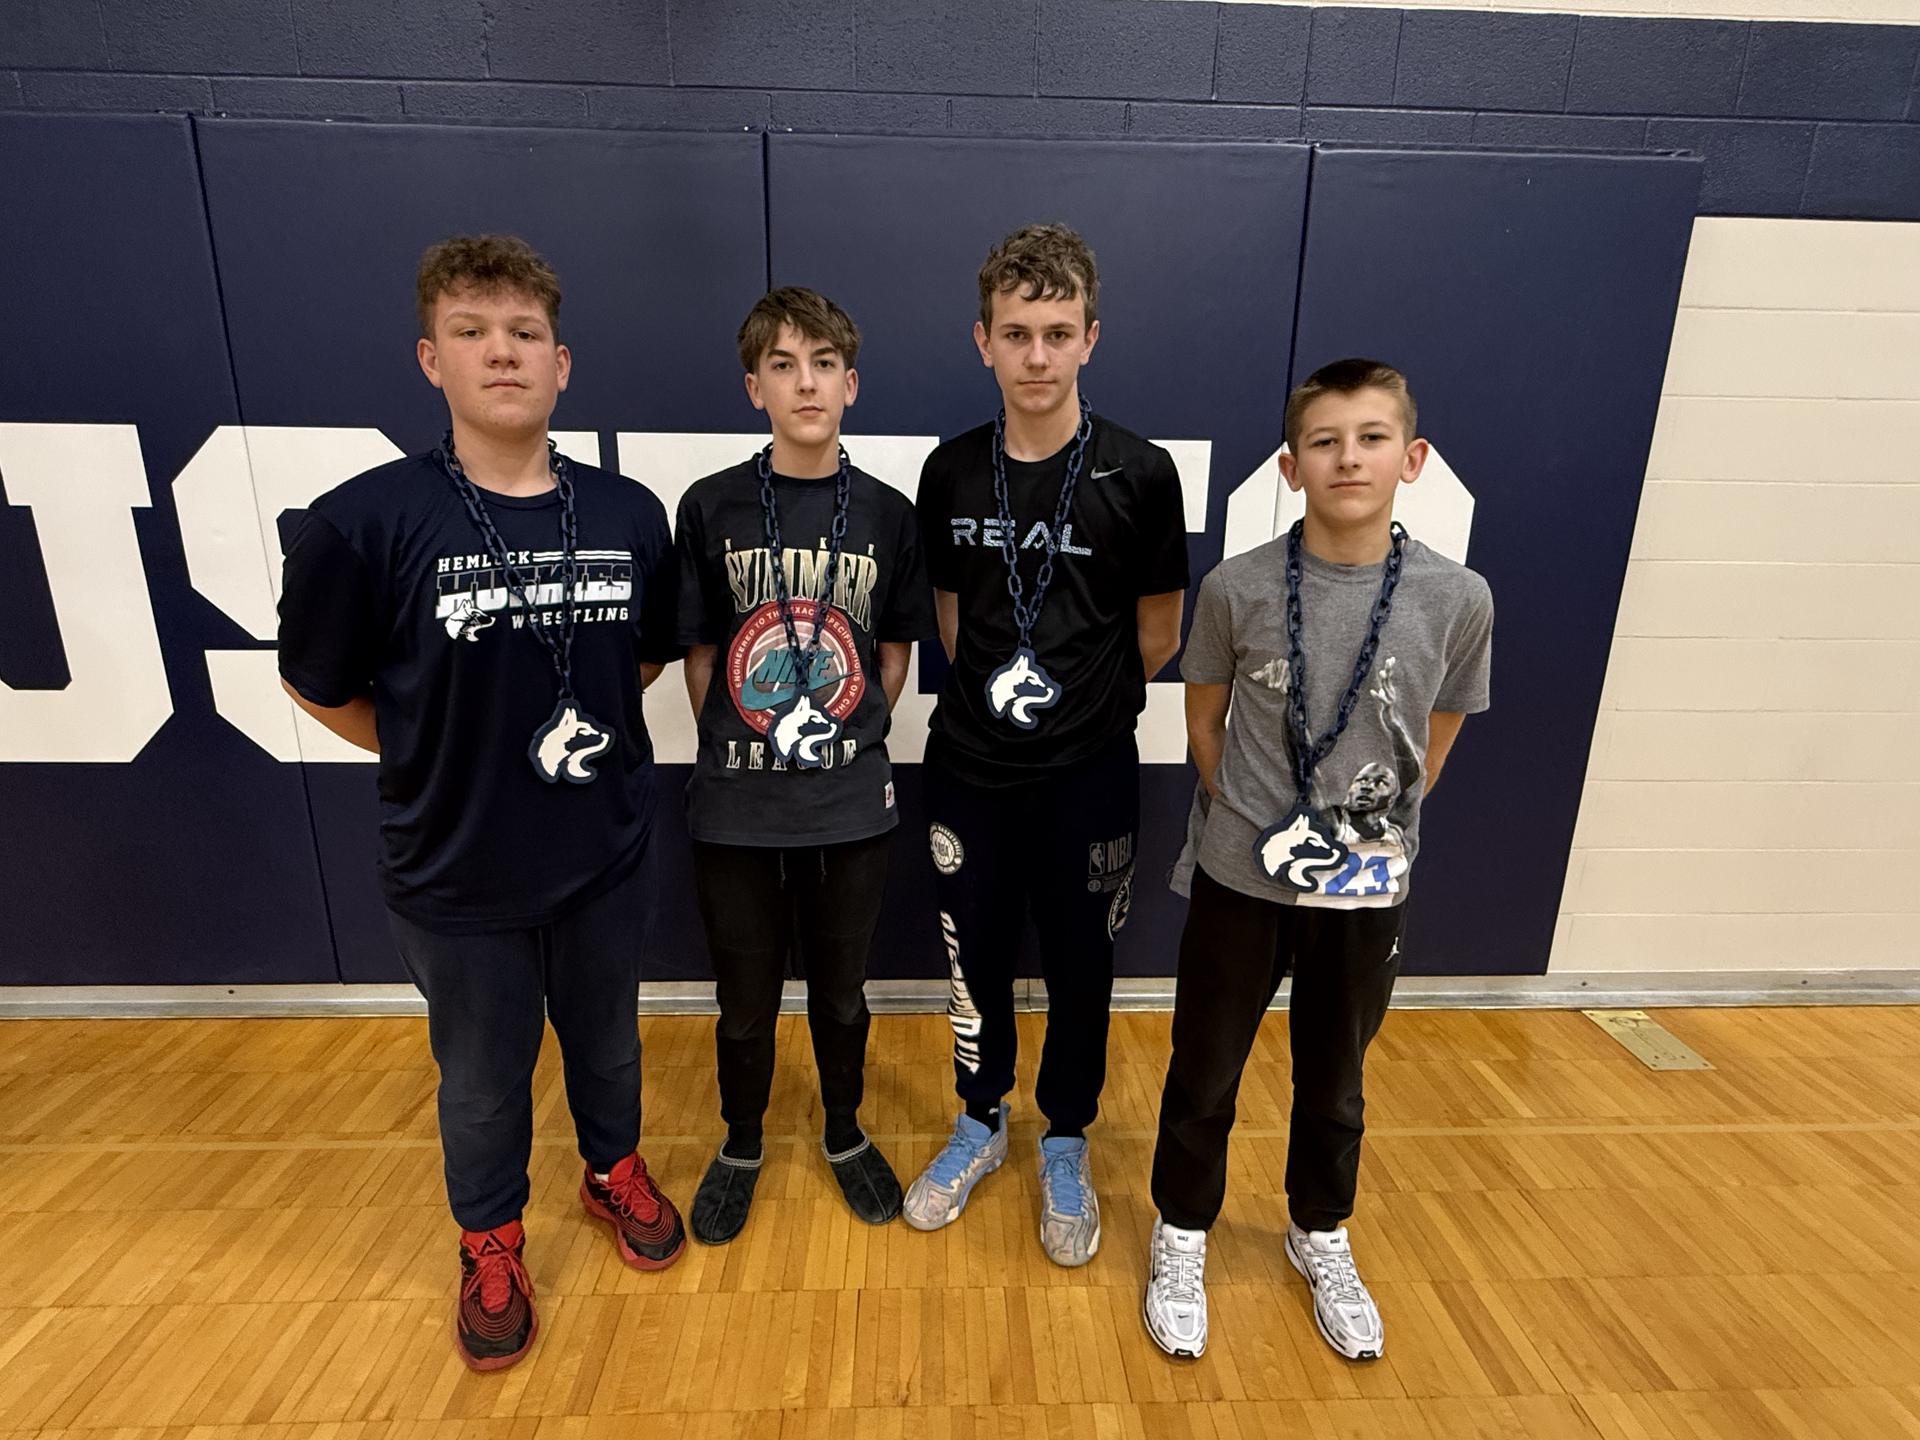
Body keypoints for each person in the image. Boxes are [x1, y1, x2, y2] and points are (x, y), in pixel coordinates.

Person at [277, 234, 685, 1372]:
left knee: (609, 1048)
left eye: (524, 333)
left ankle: (611, 1171)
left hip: (604, 854)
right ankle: (491, 1239)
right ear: (431, 358)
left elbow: (643, 659)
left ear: (562, 363)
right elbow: (317, 684)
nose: (501, 353)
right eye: (472, 331)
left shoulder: (628, 513)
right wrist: (424, 753)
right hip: (455, 871)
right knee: (484, 1081)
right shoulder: (364, 521)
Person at [1142, 358, 1494, 1362]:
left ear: (1411, 459)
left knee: (1336, 1079)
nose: (1349, 458)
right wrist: (1262, 819)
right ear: (1292, 468)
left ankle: (1318, 1230)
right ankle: (1183, 1230)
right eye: (1325, 441)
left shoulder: (1458, 597)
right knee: (1205, 1067)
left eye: (1372, 438)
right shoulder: (1236, 588)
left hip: (1366, 888)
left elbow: (1435, 744)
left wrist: (1358, 838)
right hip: (1241, 879)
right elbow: (1204, 727)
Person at [904, 223, 1190, 1267]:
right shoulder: (949, 471)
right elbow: (952, 621)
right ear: (983, 340)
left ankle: (1065, 1138)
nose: (1037, 355)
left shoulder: (1141, 473)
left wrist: (1078, 713)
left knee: (1082, 966)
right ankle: (980, 1119)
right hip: (970, 771)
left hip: (1089, 775)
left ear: (1089, 339)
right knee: (973, 959)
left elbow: (1158, 632)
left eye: (1057, 333)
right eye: (1017, 333)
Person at [673, 287, 936, 1244]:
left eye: (824, 363)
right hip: (736, 809)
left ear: (851, 384)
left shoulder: (889, 514)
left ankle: (843, 1129)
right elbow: (702, 657)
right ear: (756, 388)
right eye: (783, 366)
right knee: (743, 1004)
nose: (806, 383)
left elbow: (895, 655)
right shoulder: (709, 505)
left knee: (842, 993)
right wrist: (748, 743)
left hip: (849, 804)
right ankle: (742, 1141)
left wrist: (848, 736)